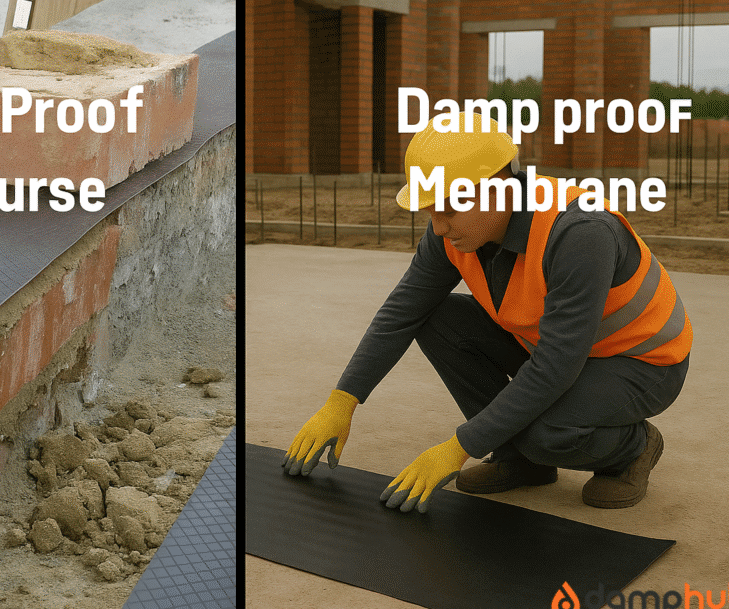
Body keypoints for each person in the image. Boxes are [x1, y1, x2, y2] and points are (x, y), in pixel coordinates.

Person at [282, 112, 692, 512]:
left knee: (548, 433)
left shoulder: (580, 232)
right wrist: (342, 401)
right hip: (555, 348)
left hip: (642, 361)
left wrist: (459, 447)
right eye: (429, 209)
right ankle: (521, 460)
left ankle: (634, 448)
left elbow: (555, 366)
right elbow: (402, 313)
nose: (438, 226)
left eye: (447, 207)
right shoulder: (455, 232)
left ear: (498, 188)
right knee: (438, 319)